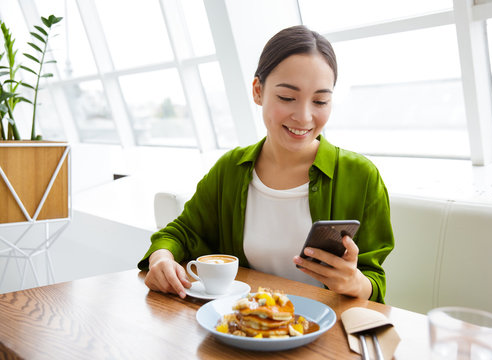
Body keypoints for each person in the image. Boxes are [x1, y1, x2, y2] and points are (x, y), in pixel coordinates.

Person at [138, 25, 394, 303]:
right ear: (258, 91)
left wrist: (356, 282)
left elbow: (374, 281)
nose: (304, 117)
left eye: (320, 101)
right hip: (244, 325)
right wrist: (161, 258)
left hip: (323, 333)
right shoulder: (231, 169)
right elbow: (181, 233)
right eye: (287, 97)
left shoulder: (361, 176)